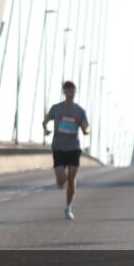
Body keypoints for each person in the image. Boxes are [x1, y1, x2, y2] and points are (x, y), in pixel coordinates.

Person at [42, 80, 90, 220]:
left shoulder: (80, 111)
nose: (70, 93)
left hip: (73, 147)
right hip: (58, 147)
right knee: (62, 179)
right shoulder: (56, 108)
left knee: (72, 178)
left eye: (72, 90)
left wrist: (86, 130)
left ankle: (68, 207)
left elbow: (86, 126)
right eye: (67, 90)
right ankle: (60, 182)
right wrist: (46, 129)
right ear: (64, 92)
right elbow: (45, 121)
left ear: (75, 92)